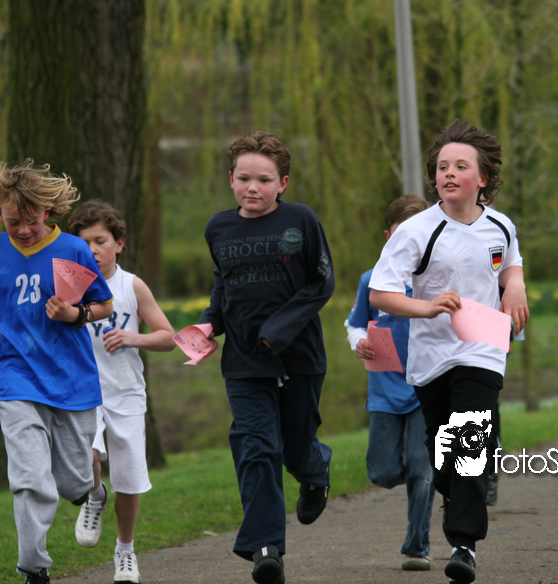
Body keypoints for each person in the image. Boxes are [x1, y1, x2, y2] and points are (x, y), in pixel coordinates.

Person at [369, 120, 528, 584]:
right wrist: (426, 307)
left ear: (483, 178)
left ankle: (464, 545)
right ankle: (455, 497)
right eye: (442, 167)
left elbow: (510, 264)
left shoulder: (501, 225)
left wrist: (516, 286)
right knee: (444, 458)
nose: (449, 174)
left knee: (469, 440)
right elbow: (381, 292)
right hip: (431, 358)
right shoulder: (417, 230)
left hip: (483, 349)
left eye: (461, 166)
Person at [0, 160, 114, 584]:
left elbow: (104, 306)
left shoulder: (74, 250)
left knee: (73, 483)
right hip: (16, 378)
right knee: (29, 479)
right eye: (13, 223)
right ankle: (33, 568)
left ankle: (93, 491)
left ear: (47, 211)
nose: (23, 230)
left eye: (31, 221)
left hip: (72, 381)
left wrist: (73, 314)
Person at [198, 131, 335, 584]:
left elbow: (321, 283)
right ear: (230, 179)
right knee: (257, 448)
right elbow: (223, 284)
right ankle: (266, 548)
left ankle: (315, 470)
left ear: (283, 183)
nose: (252, 188)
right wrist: (208, 324)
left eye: (263, 180)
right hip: (243, 362)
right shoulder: (218, 228)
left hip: (300, 356)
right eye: (243, 178)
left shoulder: (301, 220)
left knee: (295, 447)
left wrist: (278, 330)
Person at [67, 200, 177, 584]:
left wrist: (133, 338)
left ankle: (125, 551)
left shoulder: (132, 286)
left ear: (119, 243)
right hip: (84, 390)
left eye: (100, 241)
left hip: (126, 391)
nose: (93, 250)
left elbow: (169, 337)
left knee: (129, 480)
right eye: (85, 243)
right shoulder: (70, 287)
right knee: (88, 453)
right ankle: (95, 494)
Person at [343, 194, 435, 571]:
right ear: (387, 237)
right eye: (400, 237)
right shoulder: (372, 281)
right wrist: (359, 341)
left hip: (427, 388)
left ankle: (417, 548)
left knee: (422, 470)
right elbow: (354, 324)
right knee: (383, 473)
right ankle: (422, 477)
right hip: (384, 389)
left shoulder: (437, 282)